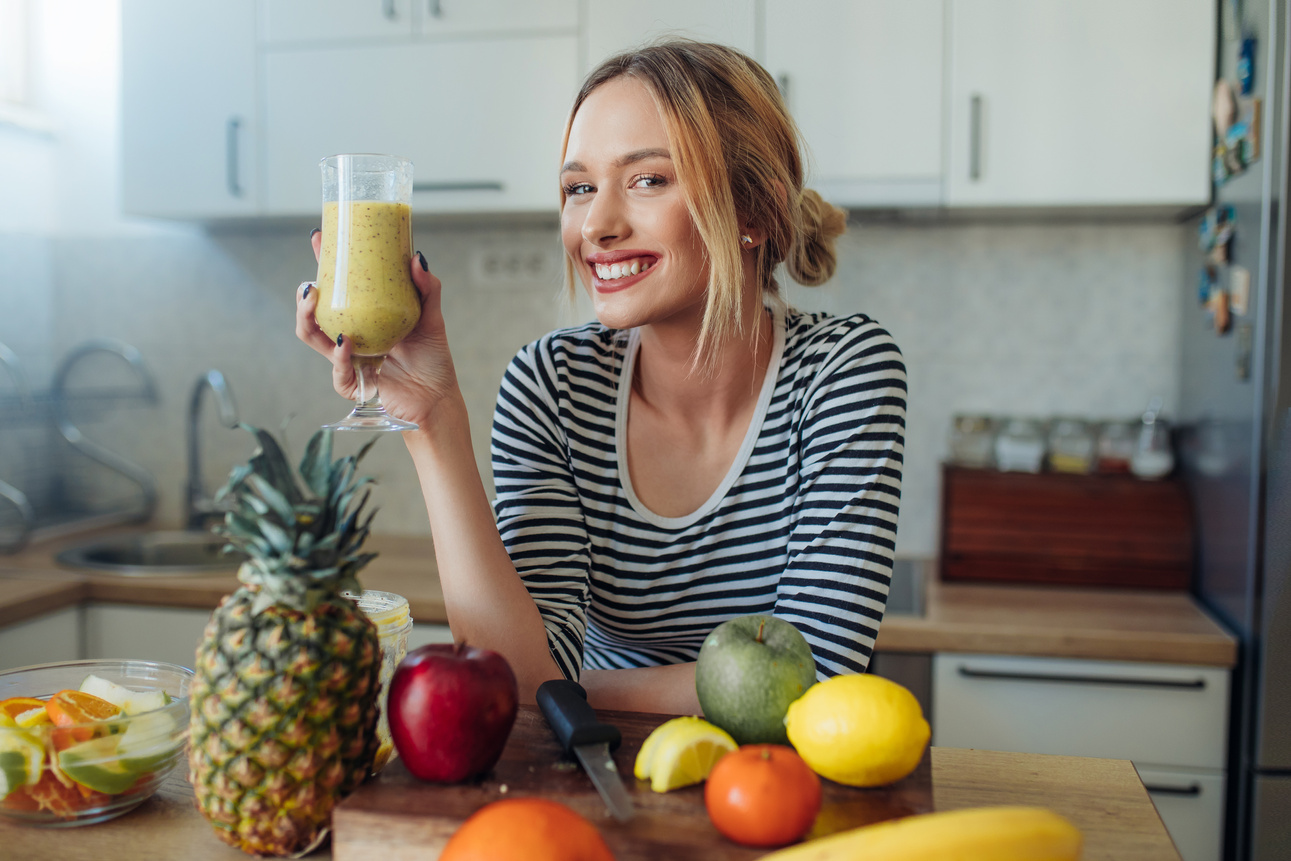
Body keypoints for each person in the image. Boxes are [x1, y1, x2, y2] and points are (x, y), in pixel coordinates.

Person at [296, 40, 906, 715]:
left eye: (647, 179)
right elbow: (509, 672)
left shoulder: (841, 373)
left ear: (751, 212)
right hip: (596, 770)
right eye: (579, 188)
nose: (597, 225)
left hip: (772, 795)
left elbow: (815, 681)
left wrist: (561, 686)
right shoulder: (553, 386)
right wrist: (431, 418)